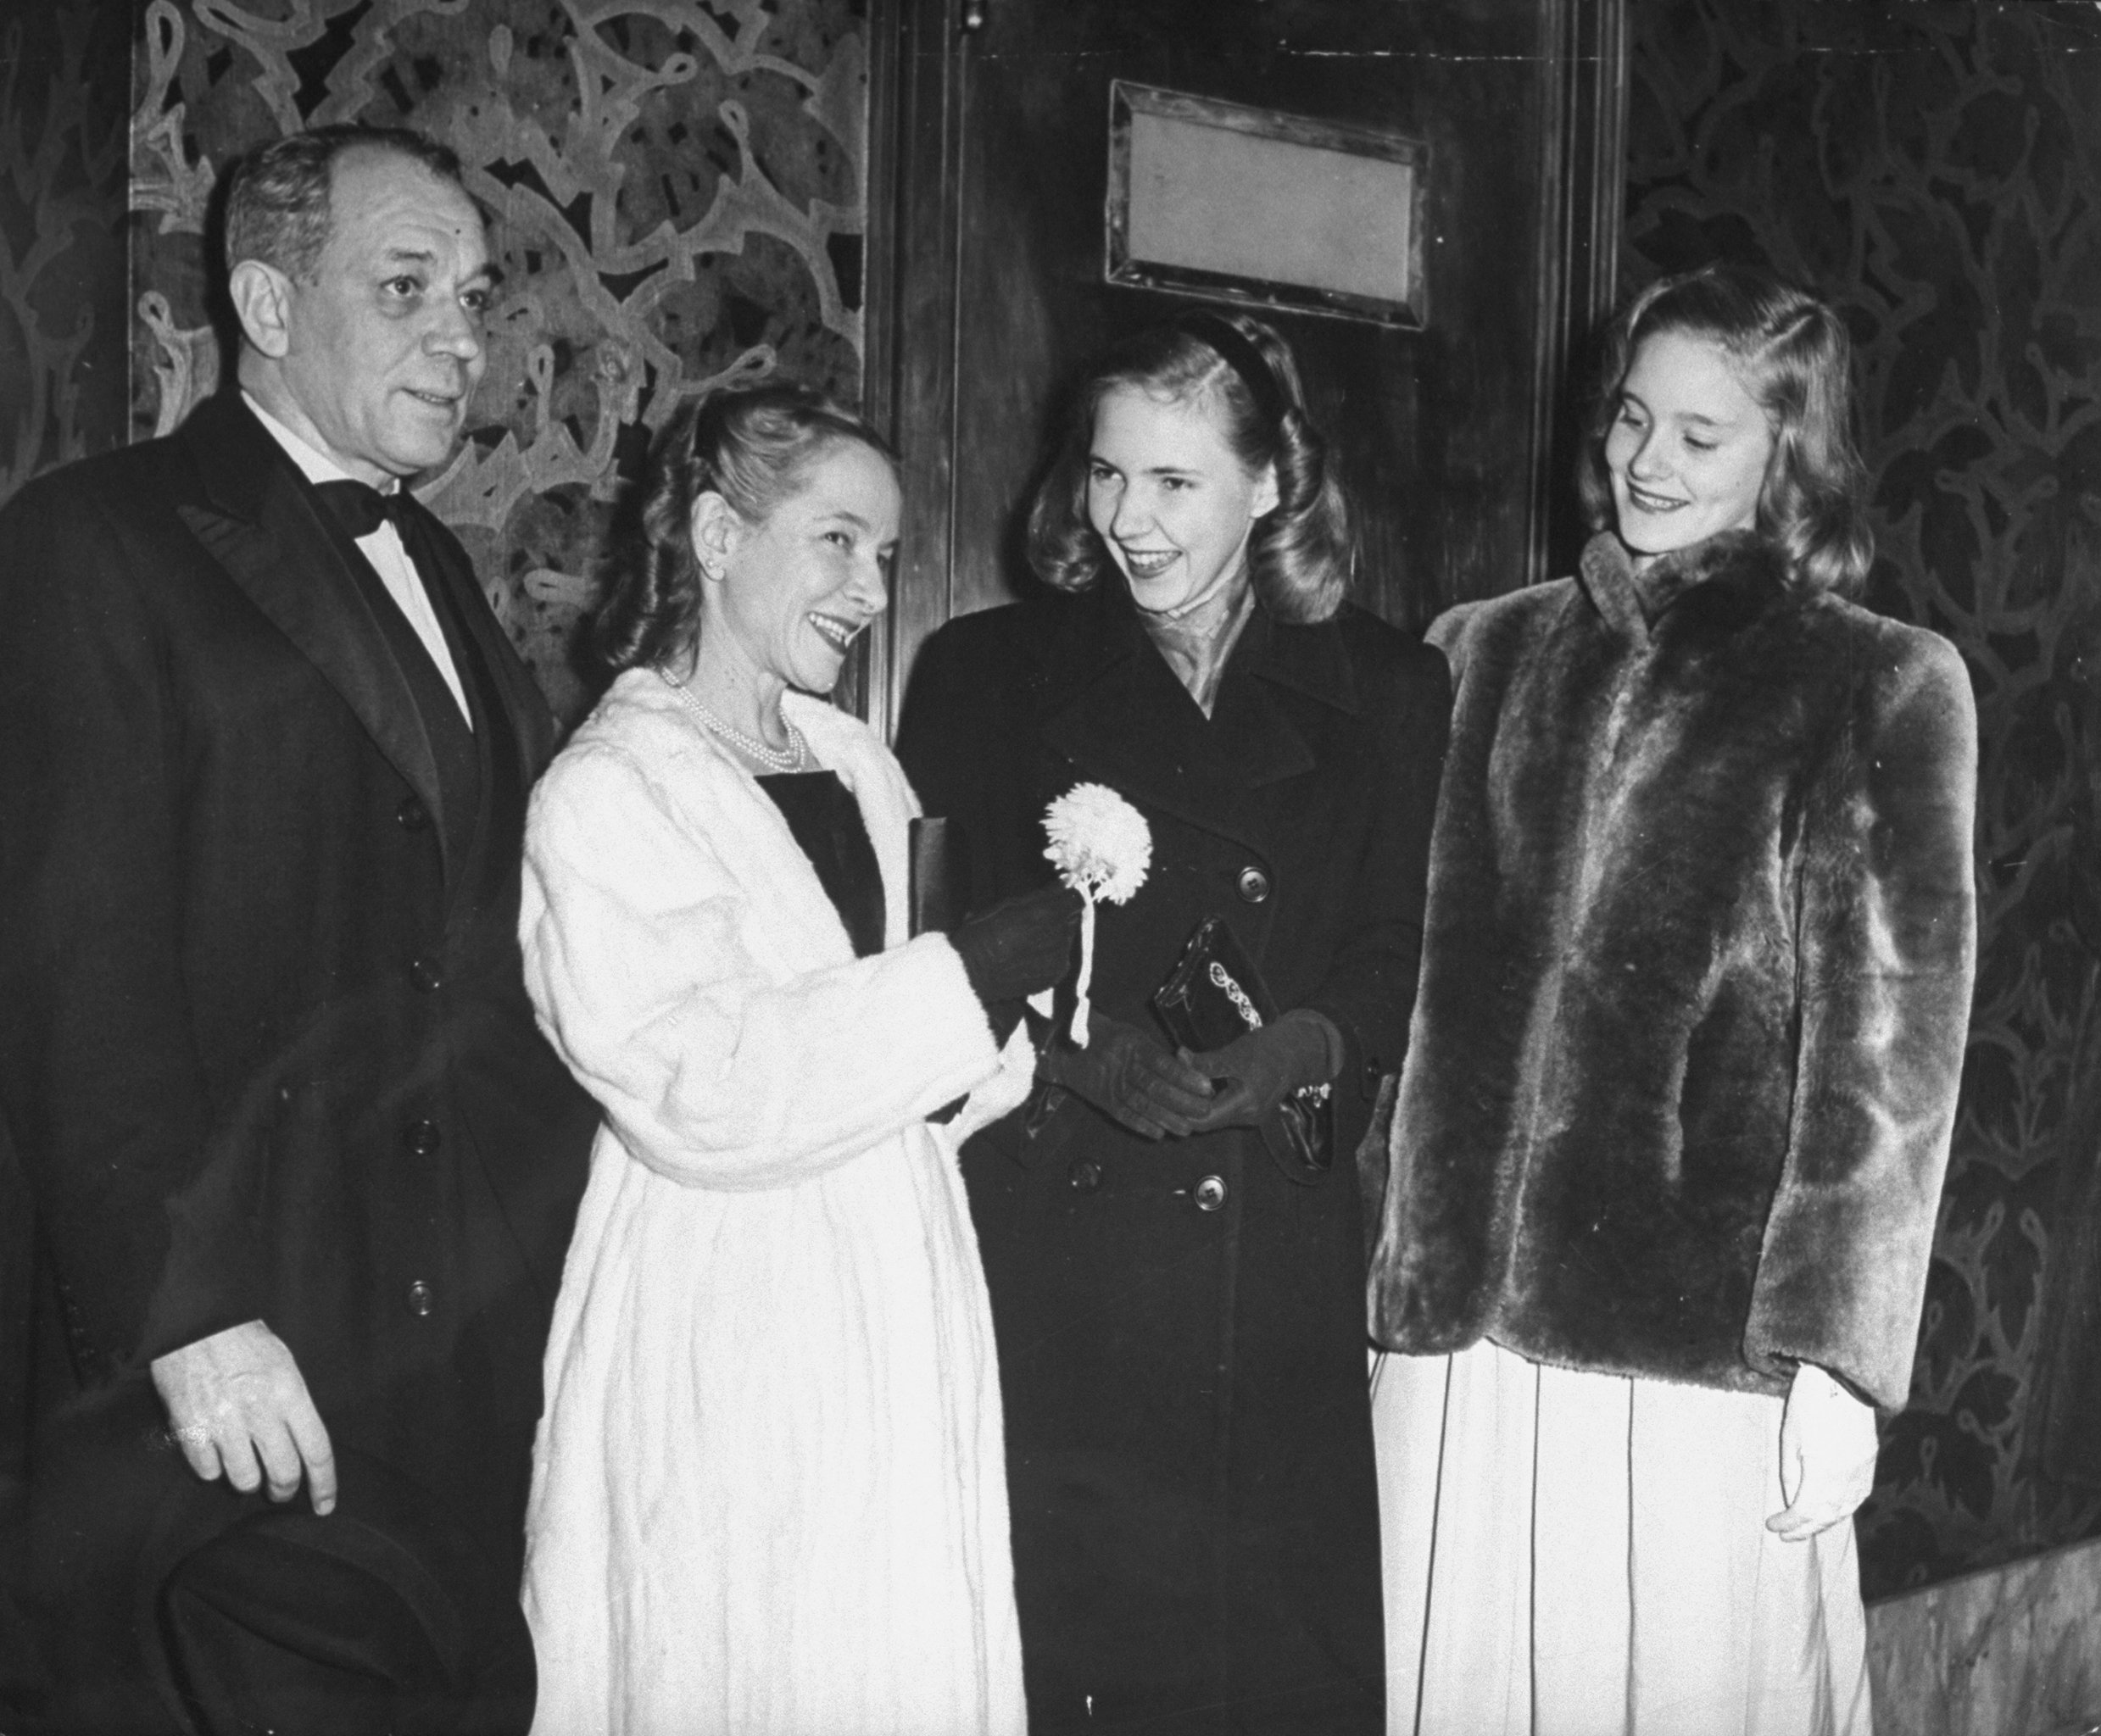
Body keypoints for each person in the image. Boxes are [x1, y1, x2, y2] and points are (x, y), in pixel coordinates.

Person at [0, 126, 599, 1734]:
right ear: (266, 301)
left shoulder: (449, 575)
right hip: (238, 1359)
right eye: (404, 289)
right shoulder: (88, 544)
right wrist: (186, 1321)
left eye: (474, 298)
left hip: (448, 1355)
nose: (463, 339)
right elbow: (75, 973)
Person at [1368, 262, 1977, 1733]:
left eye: (1699, 438)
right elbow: (1406, 989)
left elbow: (1887, 1059)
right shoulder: (1478, 650)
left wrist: (1837, 1357)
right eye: (1633, 419)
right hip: (1456, 1341)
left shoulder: (1877, 682)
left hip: (1692, 1350)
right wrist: (1381, 1261)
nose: (1646, 462)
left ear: (1790, 456)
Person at [897, 308, 1452, 1733]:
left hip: (1273, 1247)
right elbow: (934, 957)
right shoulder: (981, 671)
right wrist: (1082, 1058)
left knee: (1266, 1670)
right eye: (1105, 475)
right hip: (1058, 1244)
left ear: (1271, 484)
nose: (1127, 521)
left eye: (1174, 483)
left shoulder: (1390, 687)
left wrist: (1301, 1051)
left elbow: (1398, 941)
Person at [517, 383, 1077, 1735]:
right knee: (742, 1642)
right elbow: (700, 1086)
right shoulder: (611, 790)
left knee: (884, 1642)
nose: (871, 588)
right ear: (716, 535)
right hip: (728, 1295)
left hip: (892, 1271)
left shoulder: (850, 756)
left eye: (884, 555)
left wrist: (1002, 1029)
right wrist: (968, 977)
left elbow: (914, 1049)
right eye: (837, 541)